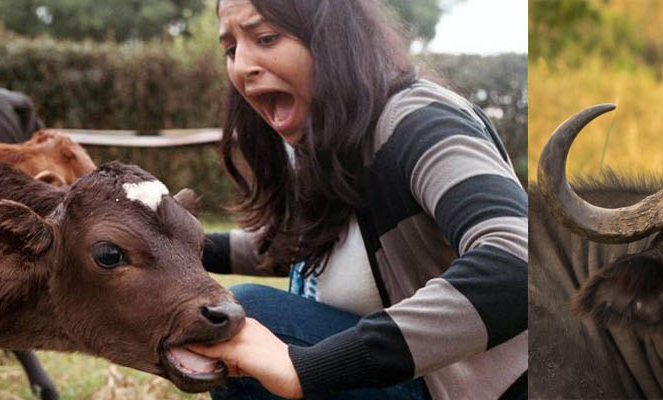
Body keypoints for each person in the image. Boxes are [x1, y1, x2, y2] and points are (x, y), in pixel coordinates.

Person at [188, 0, 527, 399]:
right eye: (231, 50)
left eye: (265, 38)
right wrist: (171, 242)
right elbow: (294, 247)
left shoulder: (419, 120)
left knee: (252, 316)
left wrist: (311, 367)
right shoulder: (335, 140)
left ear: (332, 39)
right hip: (408, 382)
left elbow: (517, 260)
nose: (242, 67)